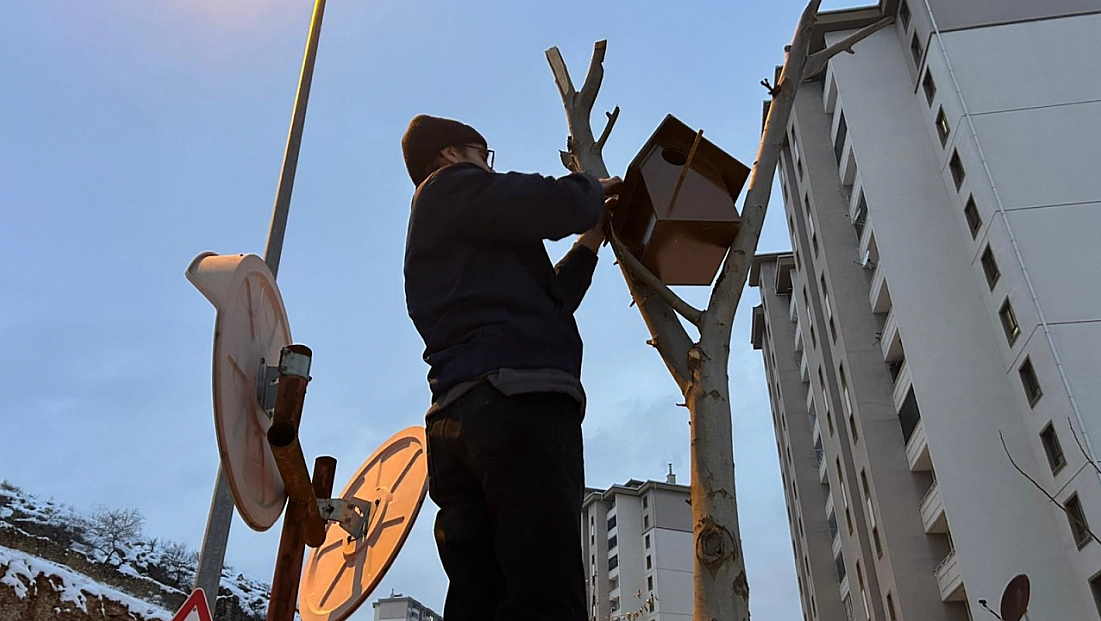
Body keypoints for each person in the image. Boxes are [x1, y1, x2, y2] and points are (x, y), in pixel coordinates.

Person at [401, 114, 621, 621]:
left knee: (480, 594)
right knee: (544, 591)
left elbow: (550, 300)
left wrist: (589, 242)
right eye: (484, 156)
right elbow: (540, 202)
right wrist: (590, 189)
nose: (488, 169)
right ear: (451, 154)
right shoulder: (448, 187)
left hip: (460, 419)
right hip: (515, 403)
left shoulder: (456, 246)